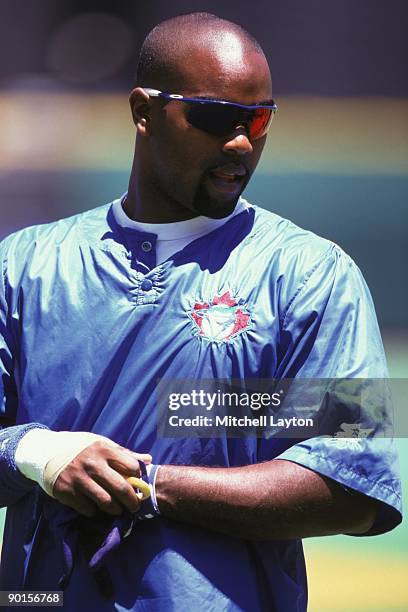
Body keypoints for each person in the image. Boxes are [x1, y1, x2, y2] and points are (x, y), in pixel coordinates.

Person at [0, 12, 402, 611]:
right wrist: (38, 455)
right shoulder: (24, 266)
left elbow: (353, 483)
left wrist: (148, 486)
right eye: (216, 118)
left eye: (259, 119)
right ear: (143, 112)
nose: (240, 142)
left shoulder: (310, 276)